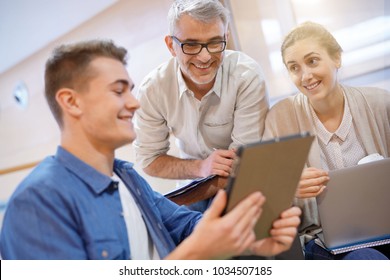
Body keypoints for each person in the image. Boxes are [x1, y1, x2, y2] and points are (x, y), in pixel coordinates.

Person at [0, 39, 301, 260]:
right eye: (119, 91)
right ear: (71, 102)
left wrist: (251, 235)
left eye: (130, 90)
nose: (135, 103)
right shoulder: (38, 203)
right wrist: (195, 256)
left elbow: (186, 227)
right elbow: (195, 247)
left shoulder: (128, 179)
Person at [263, 21, 390, 260]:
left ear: (337, 58)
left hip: (385, 231)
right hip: (322, 243)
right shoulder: (279, 119)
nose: (305, 76)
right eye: (294, 67)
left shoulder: (381, 105)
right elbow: (262, 196)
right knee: (365, 260)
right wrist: (289, 187)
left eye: (312, 61)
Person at [133, 0, 269, 211]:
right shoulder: (153, 90)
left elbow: (240, 164)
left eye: (215, 42)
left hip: (243, 179)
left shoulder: (246, 76)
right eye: (192, 45)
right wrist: (201, 167)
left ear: (226, 37)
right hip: (193, 181)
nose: (204, 57)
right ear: (171, 46)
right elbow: (149, 161)